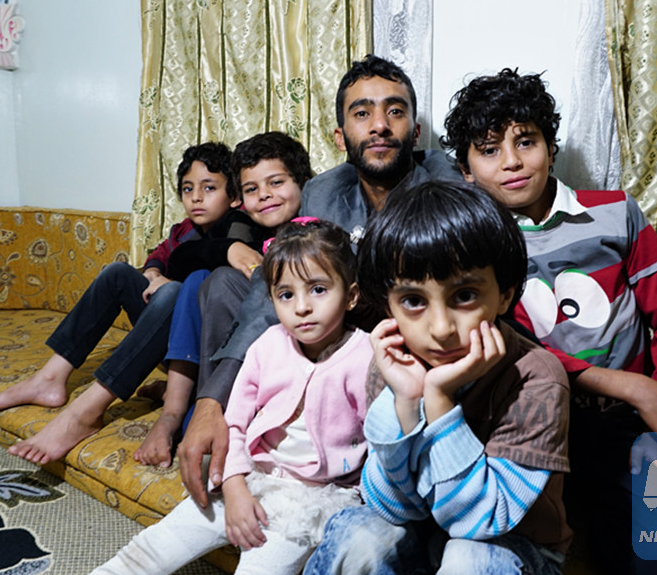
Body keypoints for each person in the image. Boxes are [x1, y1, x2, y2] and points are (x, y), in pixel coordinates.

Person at [440, 68, 657, 573]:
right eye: (490, 150)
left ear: (550, 146)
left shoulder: (615, 212)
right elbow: (517, 344)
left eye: (526, 141)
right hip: (535, 424)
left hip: (632, 422)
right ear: (466, 170)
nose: (512, 161)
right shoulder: (472, 247)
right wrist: (632, 386)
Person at [176, 54, 462, 510]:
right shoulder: (323, 192)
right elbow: (272, 294)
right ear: (340, 135)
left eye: (395, 111)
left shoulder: (443, 185)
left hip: (400, 358)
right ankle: (219, 423)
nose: (380, 125)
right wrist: (213, 400)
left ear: (415, 131)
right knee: (228, 285)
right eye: (362, 113)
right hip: (326, 341)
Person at [306, 180, 572, 574]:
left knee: (467, 558)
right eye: (413, 301)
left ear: (505, 293)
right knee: (359, 536)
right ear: (388, 307)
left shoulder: (536, 378)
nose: (442, 328)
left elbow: (480, 522)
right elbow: (392, 507)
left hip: (511, 543)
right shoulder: (395, 363)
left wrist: (440, 402)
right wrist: (406, 403)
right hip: (421, 532)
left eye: (464, 296)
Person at [91, 218, 373, 575]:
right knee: (154, 546)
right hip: (248, 476)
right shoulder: (267, 345)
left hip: (310, 502)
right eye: (286, 295)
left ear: (351, 296)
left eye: (318, 289)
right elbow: (235, 423)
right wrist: (236, 488)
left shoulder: (367, 357)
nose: (301, 307)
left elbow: (378, 440)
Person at [0, 142, 257, 465]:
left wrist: (170, 281)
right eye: (187, 189)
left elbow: (213, 268)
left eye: (209, 188)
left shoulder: (239, 224)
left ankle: (90, 410)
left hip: (203, 348)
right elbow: (162, 253)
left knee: (175, 292)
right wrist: (153, 272)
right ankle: (50, 377)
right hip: (165, 338)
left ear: (234, 197)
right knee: (118, 273)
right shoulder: (184, 230)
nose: (196, 197)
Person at [134, 131, 312, 467]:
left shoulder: (313, 232)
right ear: (241, 197)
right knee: (208, 279)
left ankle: (196, 408)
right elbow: (179, 256)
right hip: (230, 352)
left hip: (288, 351)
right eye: (251, 189)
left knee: (216, 280)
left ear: (304, 182)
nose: (264, 195)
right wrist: (230, 249)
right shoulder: (245, 228)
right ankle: (196, 409)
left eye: (276, 182)